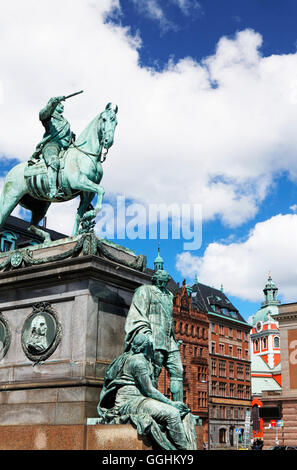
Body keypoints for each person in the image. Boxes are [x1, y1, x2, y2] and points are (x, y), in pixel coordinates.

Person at [97, 332, 197, 450]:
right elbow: (150, 390)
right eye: (151, 345)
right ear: (146, 347)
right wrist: (171, 403)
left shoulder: (129, 357)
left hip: (136, 399)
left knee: (175, 412)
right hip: (130, 401)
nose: (153, 348)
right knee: (173, 413)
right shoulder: (138, 362)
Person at [124, 269, 184, 401]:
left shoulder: (169, 295)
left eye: (165, 281)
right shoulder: (145, 291)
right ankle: (154, 405)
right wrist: (146, 334)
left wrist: (173, 338)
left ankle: (180, 408)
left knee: (178, 371)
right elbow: (138, 313)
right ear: (155, 280)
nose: (162, 284)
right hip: (154, 338)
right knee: (154, 373)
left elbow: (168, 319)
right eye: (160, 281)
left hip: (169, 340)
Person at [29, 95, 75, 198]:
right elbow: (43, 113)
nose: (62, 106)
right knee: (54, 160)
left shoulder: (64, 120)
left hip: (65, 147)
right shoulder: (48, 116)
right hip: (52, 145)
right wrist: (53, 102)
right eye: (59, 104)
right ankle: (53, 190)